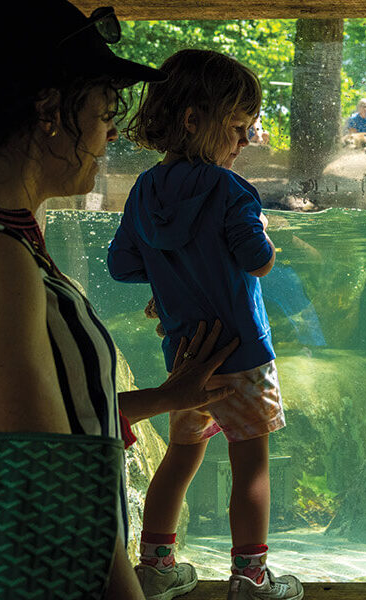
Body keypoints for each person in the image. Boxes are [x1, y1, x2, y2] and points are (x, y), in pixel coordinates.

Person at [0, 2, 240, 599]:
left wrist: (167, 398)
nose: (113, 133)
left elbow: (47, 418)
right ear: (50, 111)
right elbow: (46, 484)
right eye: (104, 112)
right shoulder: (0, 262)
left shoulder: (14, 244)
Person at [108, 49, 303, 600]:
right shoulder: (230, 190)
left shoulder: (144, 190)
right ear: (196, 120)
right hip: (242, 356)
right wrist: (262, 229)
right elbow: (254, 258)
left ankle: (157, 566)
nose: (245, 142)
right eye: (239, 128)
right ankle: (251, 578)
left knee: (182, 454)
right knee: (251, 463)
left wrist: (168, 283)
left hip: (184, 361)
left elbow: (122, 265)